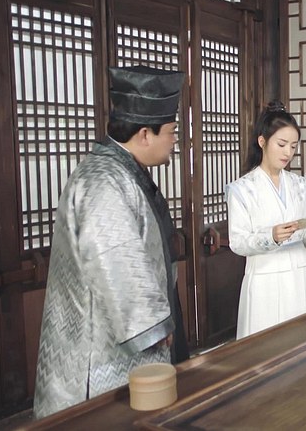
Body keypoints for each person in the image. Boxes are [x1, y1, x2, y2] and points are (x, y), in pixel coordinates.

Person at [34, 65, 190, 418]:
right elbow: (114, 257)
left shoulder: (122, 171)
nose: (175, 140)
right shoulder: (103, 180)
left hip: (120, 330)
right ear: (145, 134)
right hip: (99, 343)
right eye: (171, 132)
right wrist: (151, 325)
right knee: (104, 418)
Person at [226, 102, 306, 339]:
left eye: (293, 146)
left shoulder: (299, 184)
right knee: (266, 344)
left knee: (302, 340)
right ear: (262, 141)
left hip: (299, 273)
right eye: (281, 145)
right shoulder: (241, 189)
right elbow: (237, 242)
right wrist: (271, 236)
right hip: (264, 278)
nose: (288, 153)